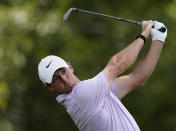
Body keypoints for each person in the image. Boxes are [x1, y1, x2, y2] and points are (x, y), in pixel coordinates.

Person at [38, 20, 167, 131]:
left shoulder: (96, 93)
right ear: (49, 87)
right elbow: (117, 64)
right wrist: (144, 33)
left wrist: (158, 39)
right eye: (56, 79)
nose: (64, 80)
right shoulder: (81, 95)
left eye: (63, 71)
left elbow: (137, 78)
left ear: (70, 67)